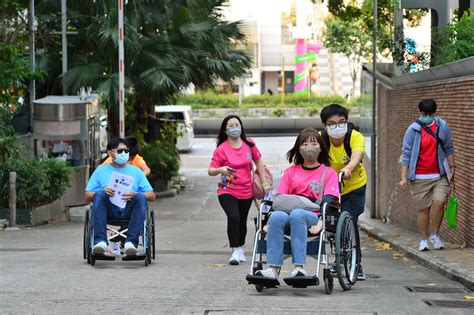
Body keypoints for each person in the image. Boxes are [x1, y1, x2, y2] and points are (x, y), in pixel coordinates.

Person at [257, 128, 339, 279]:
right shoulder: (291, 172)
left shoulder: (328, 173)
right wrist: (269, 218)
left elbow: (330, 200)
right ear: (299, 148)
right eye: (305, 143)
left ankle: (299, 267)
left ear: (320, 148)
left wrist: (321, 222)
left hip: (313, 217)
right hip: (289, 216)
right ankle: (273, 269)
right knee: (277, 217)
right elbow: (279, 200)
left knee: (297, 214)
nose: (309, 147)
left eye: (314, 143)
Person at [208, 115, 270, 265]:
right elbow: (211, 170)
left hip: (246, 189)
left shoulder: (249, 144)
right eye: (231, 126)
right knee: (234, 217)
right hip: (227, 190)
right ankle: (235, 250)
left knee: (242, 220)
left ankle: (240, 246)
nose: (235, 128)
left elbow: (258, 162)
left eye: (237, 124)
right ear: (225, 130)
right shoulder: (221, 149)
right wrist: (221, 169)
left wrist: (264, 183)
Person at [319, 103, 367, 280]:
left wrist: (348, 169)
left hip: (353, 186)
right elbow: (306, 155)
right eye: (332, 123)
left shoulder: (355, 137)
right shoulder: (320, 139)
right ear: (325, 126)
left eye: (342, 122)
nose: (337, 126)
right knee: (330, 223)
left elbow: (356, 156)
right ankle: (339, 258)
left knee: (348, 220)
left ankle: (356, 264)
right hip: (330, 188)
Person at [399, 98, 454, 251]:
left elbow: (449, 147)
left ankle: (435, 235)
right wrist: (403, 177)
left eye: (430, 113)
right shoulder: (413, 129)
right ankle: (423, 239)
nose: (427, 116)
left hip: (440, 175)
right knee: (424, 209)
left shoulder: (442, 126)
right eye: (425, 113)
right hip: (419, 177)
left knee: (440, 202)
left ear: (434, 113)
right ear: (420, 113)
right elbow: (406, 154)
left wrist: (452, 167)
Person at [85, 137, 155, 256]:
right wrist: (103, 191)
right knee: (100, 194)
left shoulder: (136, 172)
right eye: (120, 151)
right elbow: (87, 196)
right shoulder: (100, 171)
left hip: (129, 209)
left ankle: (130, 243)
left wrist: (137, 194)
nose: (124, 154)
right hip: (108, 210)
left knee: (140, 197)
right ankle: (100, 242)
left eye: (126, 151)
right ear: (110, 153)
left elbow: (152, 195)